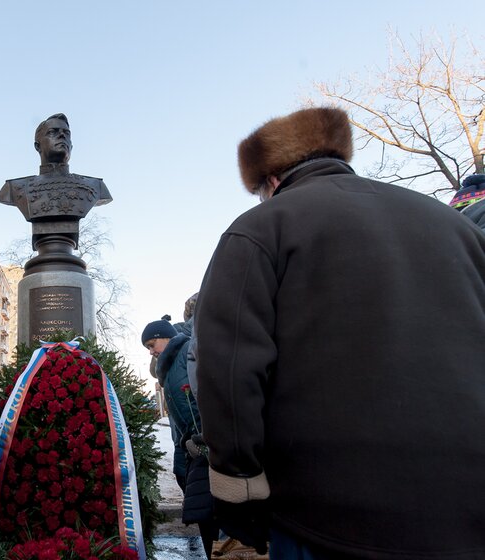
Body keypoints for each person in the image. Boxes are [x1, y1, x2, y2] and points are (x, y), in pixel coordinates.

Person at [196, 107, 485, 558]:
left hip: (327, 518)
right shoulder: (457, 226)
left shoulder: (260, 229)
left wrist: (239, 489)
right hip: (466, 510)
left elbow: (229, 370)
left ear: (270, 180)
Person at [141, 315, 217, 559]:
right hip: (189, 447)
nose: (151, 351)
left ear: (165, 336)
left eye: (152, 344)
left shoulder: (187, 352)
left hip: (207, 447)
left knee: (211, 513)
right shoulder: (167, 367)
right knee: (203, 512)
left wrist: (205, 436)